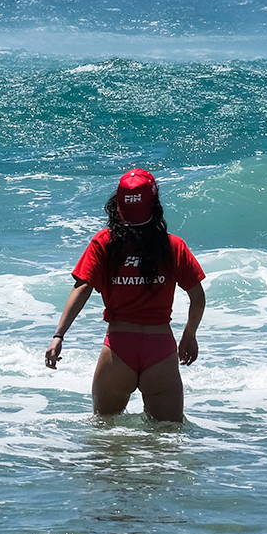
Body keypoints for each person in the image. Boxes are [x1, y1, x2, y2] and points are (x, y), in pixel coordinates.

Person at [44, 168, 206, 422]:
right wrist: (189, 336)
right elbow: (197, 297)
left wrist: (58, 336)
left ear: (118, 203)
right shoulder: (173, 246)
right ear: (154, 203)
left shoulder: (104, 243)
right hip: (161, 349)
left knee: (106, 438)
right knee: (167, 443)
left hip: (118, 349)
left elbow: (82, 288)